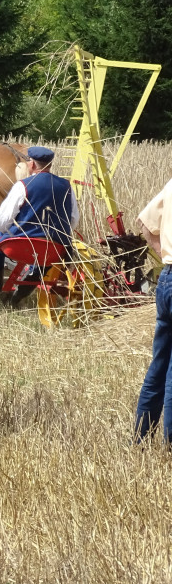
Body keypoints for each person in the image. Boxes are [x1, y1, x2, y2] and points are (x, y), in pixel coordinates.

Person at [0, 145, 80, 300]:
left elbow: (0, 223)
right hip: (53, 250)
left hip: (18, 247)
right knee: (44, 258)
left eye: (28, 161)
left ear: (32, 164)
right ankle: (22, 292)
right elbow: (73, 220)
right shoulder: (67, 186)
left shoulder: (23, 185)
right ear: (50, 164)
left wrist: (11, 231)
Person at [134, 178, 172, 445]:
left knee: (159, 364)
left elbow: (146, 224)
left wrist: (163, 254)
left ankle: (140, 439)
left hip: (168, 279)